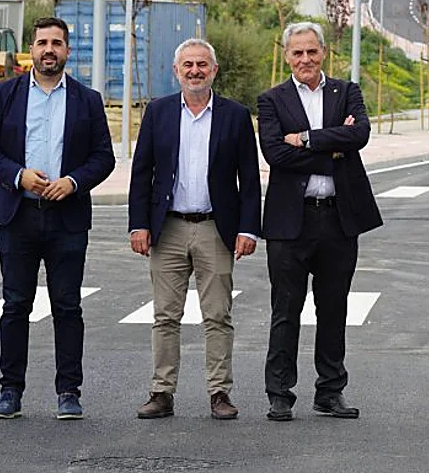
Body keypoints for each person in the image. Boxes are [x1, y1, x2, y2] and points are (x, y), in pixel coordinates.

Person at [0, 16, 115, 420]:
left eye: (56, 43)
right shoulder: (6, 95)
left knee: (68, 306)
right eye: (41, 43)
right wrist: (19, 176)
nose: (48, 49)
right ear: (30, 50)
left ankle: (68, 391)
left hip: (67, 217)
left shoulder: (88, 99)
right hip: (17, 216)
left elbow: (104, 157)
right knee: (15, 305)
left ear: (68, 51)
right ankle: (10, 391)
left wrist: (73, 181)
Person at [128, 38, 261, 421]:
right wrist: (138, 224)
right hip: (166, 228)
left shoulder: (235, 115)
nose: (195, 71)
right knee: (165, 315)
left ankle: (219, 392)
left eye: (202, 64)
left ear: (214, 70)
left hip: (214, 228)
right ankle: (161, 392)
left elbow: (248, 178)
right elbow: (142, 172)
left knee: (218, 315)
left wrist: (248, 229)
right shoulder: (159, 112)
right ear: (176, 71)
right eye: (187, 64)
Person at [258, 21, 382, 422]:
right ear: (287, 56)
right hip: (289, 223)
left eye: (312, 51)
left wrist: (307, 139)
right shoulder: (271, 100)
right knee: (286, 309)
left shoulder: (346, 91)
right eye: (298, 53)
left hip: (338, 220)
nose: (305, 59)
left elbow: (359, 135)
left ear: (323, 52)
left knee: (334, 309)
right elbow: (276, 155)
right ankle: (279, 393)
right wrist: (332, 145)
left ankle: (330, 391)